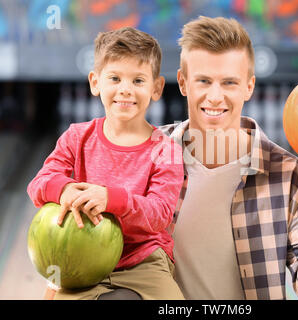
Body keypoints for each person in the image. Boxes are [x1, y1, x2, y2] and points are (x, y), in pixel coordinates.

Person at [159, 16, 298, 300]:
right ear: (183, 83)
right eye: (204, 81)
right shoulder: (146, 154)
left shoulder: (290, 174)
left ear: (249, 86)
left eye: (229, 82)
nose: (215, 96)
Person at [27, 27, 185, 300]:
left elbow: (160, 214)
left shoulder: (166, 149)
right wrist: (63, 189)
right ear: (95, 82)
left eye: (138, 80)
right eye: (115, 78)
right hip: (80, 258)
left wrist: (111, 199)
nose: (125, 89)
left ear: (157, 88)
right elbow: (38, 185)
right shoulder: (76, 137)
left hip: (143, 260)